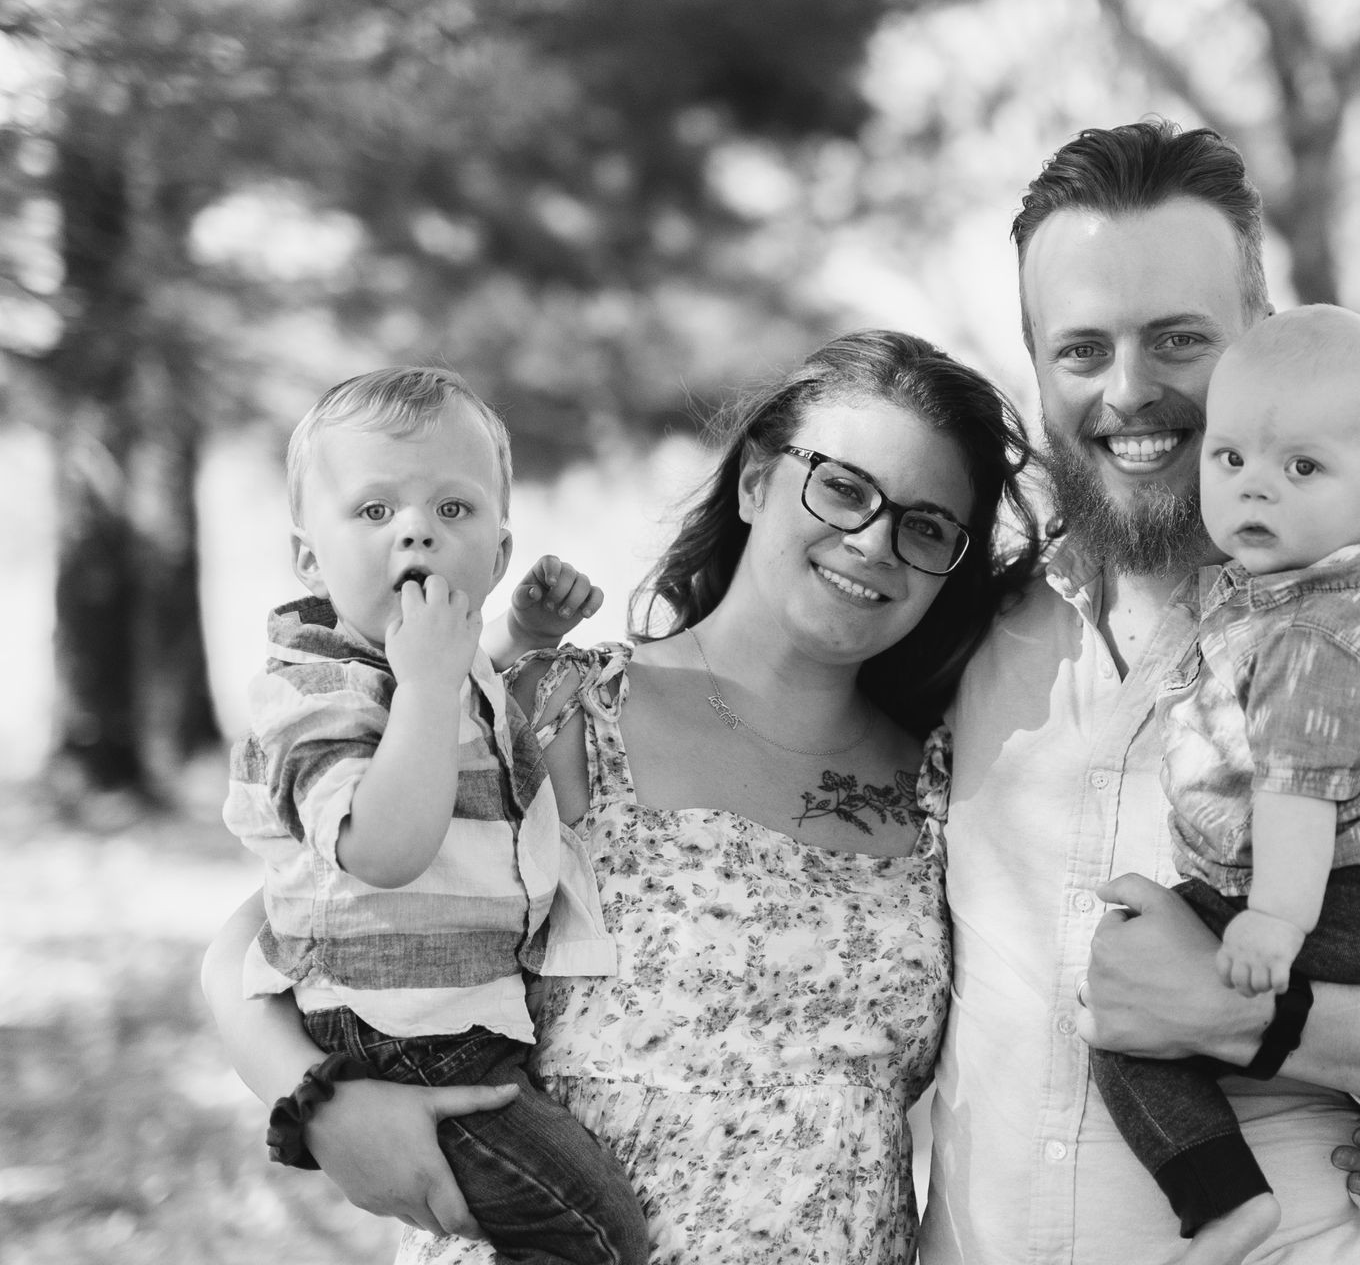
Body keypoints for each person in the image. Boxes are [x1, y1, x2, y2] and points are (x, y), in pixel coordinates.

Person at [202, 330, 1045, 1265]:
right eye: (842, 486)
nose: (872, 541)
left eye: (925, 526)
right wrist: (324, 1108)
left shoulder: (944, 790)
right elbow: (267, 937)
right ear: (756, 481)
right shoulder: (559, 710)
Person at [920, 121, 1360, 1264]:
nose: (1129, 391)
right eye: (1081, 349)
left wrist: (1261, 1018)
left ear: (1259, 341)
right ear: (1034, 366)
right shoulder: (955, 639)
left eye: (1177, 339)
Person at [1087, 304, 1360, 1265]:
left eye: (1301, 468)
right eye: (1233, 459)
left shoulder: (1312, 632)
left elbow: (1295, 792)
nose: (1257, 491)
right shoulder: (1358, 592)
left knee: (1128, 1009)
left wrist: (1272, 925)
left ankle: (1225, 1202)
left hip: (1319, 897)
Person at [222, 366, 648, 1264]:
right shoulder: (317, 692)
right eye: (374, 512)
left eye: (452, 510)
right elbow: (383, 845)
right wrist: (428, 678)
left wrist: (518, 638)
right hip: (400, 1030)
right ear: (309, 560)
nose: (415, 526)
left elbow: (453, 724)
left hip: (450, 1018)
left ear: (496, 555)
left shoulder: (425, 673)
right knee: (594, 1233)